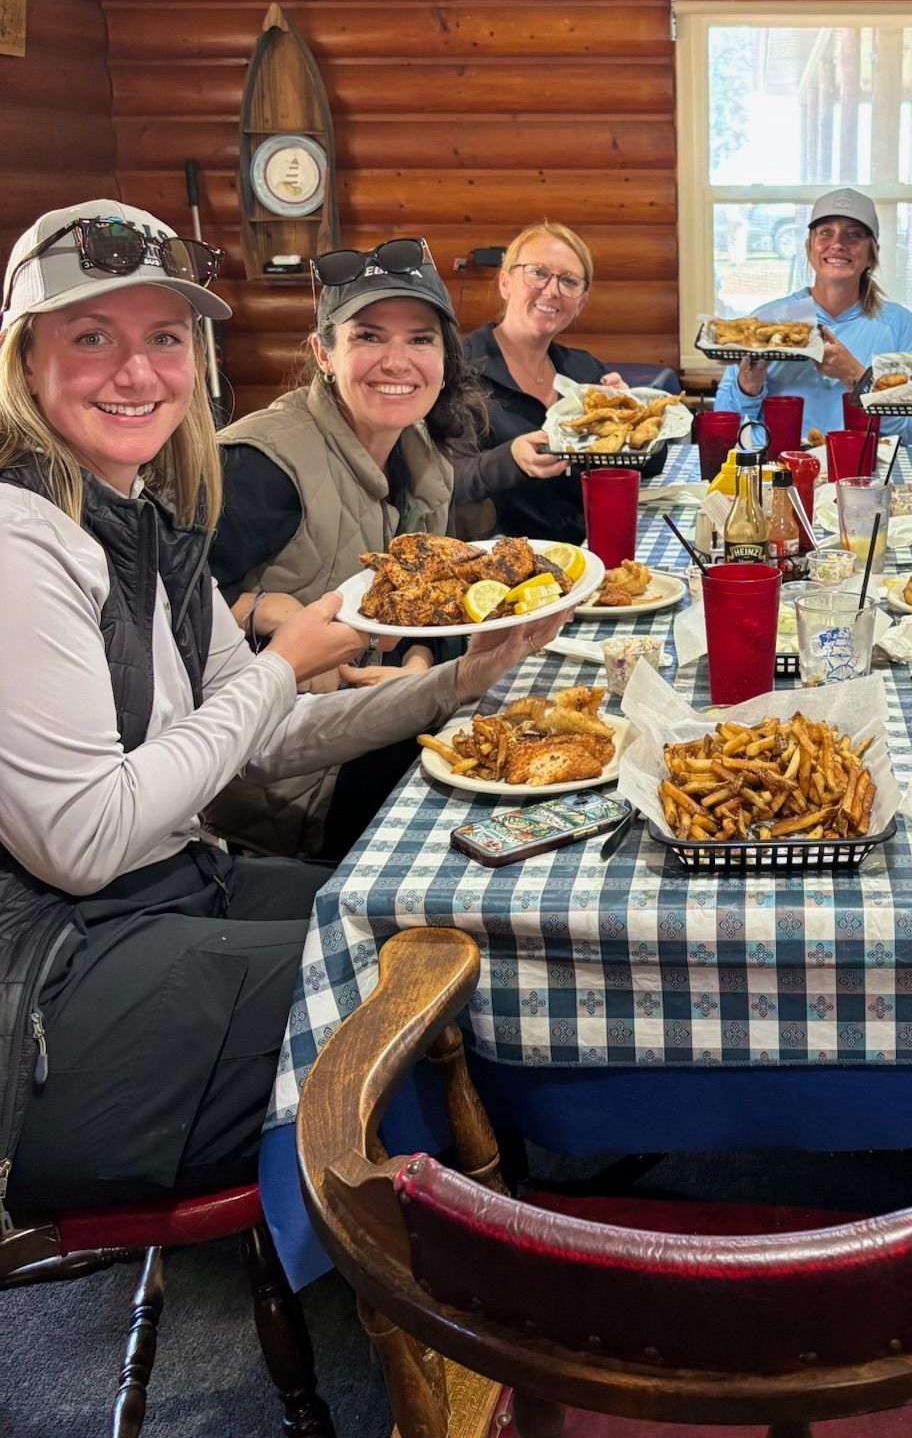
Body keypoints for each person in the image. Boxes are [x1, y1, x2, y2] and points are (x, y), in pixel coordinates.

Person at [0, 200, 566, 1219]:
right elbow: (82, 841)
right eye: (92, 336)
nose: (138, 371)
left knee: (442, 929)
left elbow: (262, 739)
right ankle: (450, 1274)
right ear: (22, 359)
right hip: (53, 989)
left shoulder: (144, 512)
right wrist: (282, 658)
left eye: (163, 337)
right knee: (427, 989)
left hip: (176, 885)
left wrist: (455, 683)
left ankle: (464, 1223)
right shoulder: (18, 543)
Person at [210, 237, 487, 859]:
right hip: (293, 794)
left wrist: (417, 664)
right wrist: (270, 611)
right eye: (367, 336)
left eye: (420, 338)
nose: (397, 360)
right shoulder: (263, 463)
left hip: (387, 734)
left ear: (445, 358)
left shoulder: (424, 457)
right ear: (323, 354)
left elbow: (438, 606)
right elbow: (167, 606)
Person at [455, 221, 665, 544]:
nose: (552, 290)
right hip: (503, 572)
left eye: (568, 281)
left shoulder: (583, 370)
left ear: (580, 302)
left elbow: (648, 465)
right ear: (505, 283)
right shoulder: (459, 370)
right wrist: (508, 459)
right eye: (538, 272)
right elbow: (438, 481)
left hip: (590, 557)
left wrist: (633, 418)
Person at [713, 189, 912, 444]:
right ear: (810, 247)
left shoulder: (899, 325)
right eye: (826, 232)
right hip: (780, 470)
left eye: (854, 235)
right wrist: (747, 387)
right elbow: (725, 423)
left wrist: (857, 378)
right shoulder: (768, 321)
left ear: (872, 253)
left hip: (860, 473)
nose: (838, 243)